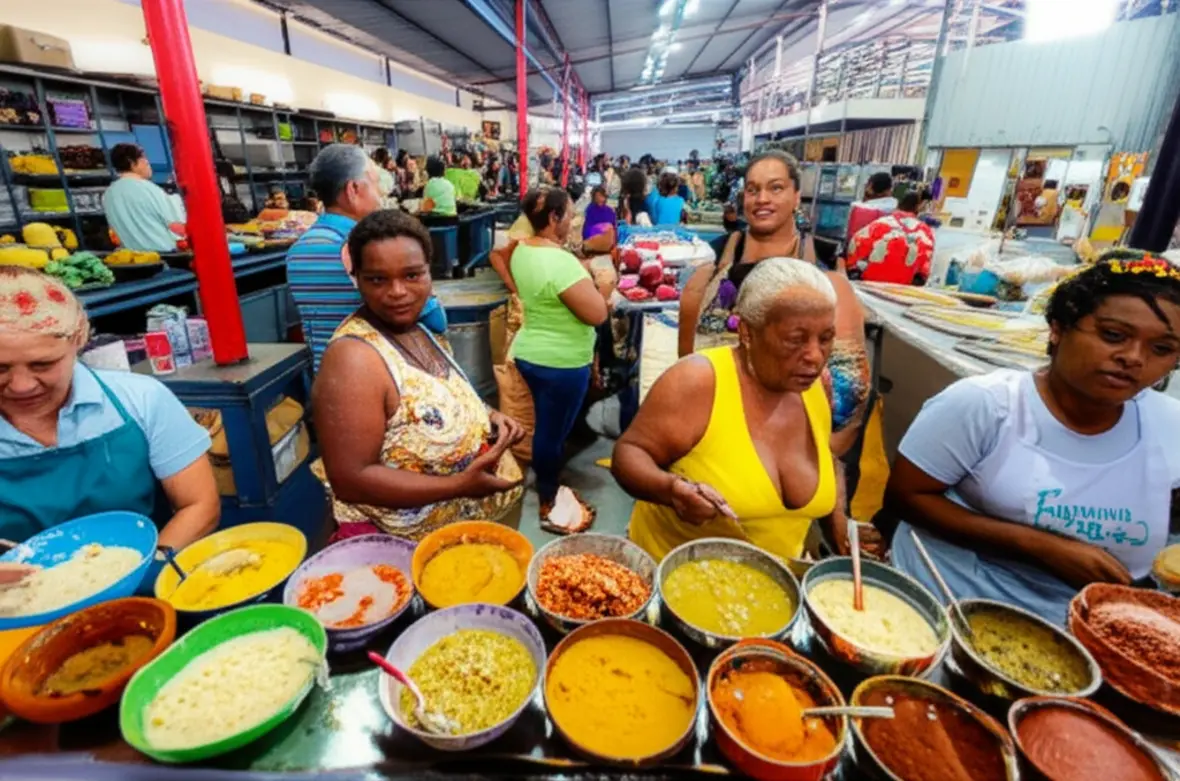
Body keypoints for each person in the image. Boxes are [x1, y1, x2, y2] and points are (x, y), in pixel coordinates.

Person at [885, 252, 1180, 626]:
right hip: (953, 601)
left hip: (1088, 627)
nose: (1134, 358)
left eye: (1162, 349)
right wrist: (1038, 546)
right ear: (1058, 328)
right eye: (1113, 335)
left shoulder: (1169, 426)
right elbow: (905, 497)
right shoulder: (987, 405)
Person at [313, 210, 525, 540]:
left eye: (412, 275)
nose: (397, 291)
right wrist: (459, 486)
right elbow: (351, 480)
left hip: (471, 534)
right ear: (357, 279)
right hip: (410, 549)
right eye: (377, 279)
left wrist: (489, 416)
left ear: (429, 271)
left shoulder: (416, 327)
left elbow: (437, 396)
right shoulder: (353, 359)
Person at [615, 258, 843, 560]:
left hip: (768, 581)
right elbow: (629, 454)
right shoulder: (699, 381)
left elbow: (827, 459)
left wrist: (840, 525)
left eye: (825, 338)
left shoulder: (816, 386)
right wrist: (671, 490)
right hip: (673, 573)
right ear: (747, 332)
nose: (815, 355)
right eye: (795, 340)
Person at [0, 266, 218, 546]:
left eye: (43, 364)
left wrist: (151, 565)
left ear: (79, 339)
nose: (22, 385)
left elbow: (199, 505)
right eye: (1, 368)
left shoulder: (141, 400)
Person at [679, 149, 869, 455]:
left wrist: (818, 462)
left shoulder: (829, 284)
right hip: (715, 445)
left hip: (795, 451)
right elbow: (687, 373)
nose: (762, 199)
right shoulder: (707, 277)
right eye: (752, 189)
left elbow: (848, 396)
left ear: (796, 196)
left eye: (776, 188)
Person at [287, 145, 446, 372]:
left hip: (325, 374)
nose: (380, 193)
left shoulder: (297, 251)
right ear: (353, 189)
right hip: (382, 375)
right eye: (374, 182)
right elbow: (436, 321)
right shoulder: (367, 250)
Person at [510, 188, 613, 531]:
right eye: (569, 214)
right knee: (551, 434)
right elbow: (597, 315)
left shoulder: (523, 250)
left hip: (531, 352)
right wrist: (604, 289)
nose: (573, 220)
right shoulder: (561, 263)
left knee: (549, 426)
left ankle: (549, 482)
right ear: (553, 218)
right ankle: (548, 499)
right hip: (561, 362)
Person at [103, 143, 186, 252]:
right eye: (144, 159)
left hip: (133, 258)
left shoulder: (108, 194)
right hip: (166, 255)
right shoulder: (150, 189)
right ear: (132, 163)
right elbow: (177, 226)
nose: (148, 164)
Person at [844, 189, 936, 285]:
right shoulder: (924, 231)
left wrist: (855, 271)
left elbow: (856, 245)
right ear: (917, 208)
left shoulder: (880, 224)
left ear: (898, 205)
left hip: (870, 284)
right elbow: (925, 267)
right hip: (903, 288)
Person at [582, 186, 617, 256]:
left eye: (601, 196)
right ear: (593, 197)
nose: (599, 198)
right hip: (593, 238)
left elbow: (614, 227)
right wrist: (601, 228)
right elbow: (587, 229)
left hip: (608, 240)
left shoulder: (609, 210)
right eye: (597, 196)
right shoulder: (590, 210)